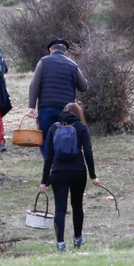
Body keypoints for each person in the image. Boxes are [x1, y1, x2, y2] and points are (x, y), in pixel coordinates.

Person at [39, 102, 101, 252]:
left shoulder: (54, 128)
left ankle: (60, 244)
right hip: (78, 172)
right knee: (77, 206)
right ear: (78, 113)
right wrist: (93, 176)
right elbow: (88, 152)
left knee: (60, 209)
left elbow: (48, 157)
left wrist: (43, 181)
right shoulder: (81, 127)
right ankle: (78, 238)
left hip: (58, 172)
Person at [26, 38, 89, 161]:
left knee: (45, 138)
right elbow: (83, 87)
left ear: (51, 50)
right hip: (67, 109)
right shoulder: (73, 65)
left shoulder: (43, 62)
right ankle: (63, 164)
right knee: (66, 137)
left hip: (46, 107)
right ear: (65, 52)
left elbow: (34, 85)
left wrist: (31, 107)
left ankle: (50, 164)